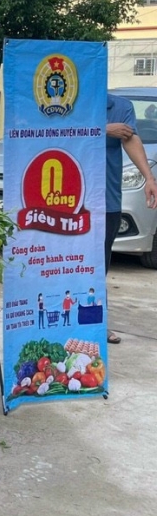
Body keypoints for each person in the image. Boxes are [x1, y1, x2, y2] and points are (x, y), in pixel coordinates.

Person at [105, 92, 157, 344]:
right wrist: (103, 129)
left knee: (98, 266)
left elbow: (130, 139)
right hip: (67, 202)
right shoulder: (70, 103)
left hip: (106, 202)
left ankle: (96, 323)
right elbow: (60, 132)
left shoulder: (120, 106)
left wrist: (149, 177)